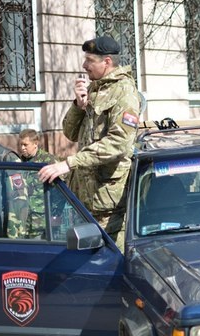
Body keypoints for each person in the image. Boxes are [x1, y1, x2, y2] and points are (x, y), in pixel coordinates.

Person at [38, 35, 141, 250]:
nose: (84, 66)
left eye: (90, 60)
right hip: (85, 201)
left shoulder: (125, 92)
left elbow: (119, 143)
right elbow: (70, 133)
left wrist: (69, 163)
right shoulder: (95, 88)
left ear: (107, 62)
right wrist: (78, 105)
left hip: (108, 205)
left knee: (109, 266)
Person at [16, 129, 57, 238]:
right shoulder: (20, 162)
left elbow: (58, 192)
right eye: (21, 145)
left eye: (25, 145)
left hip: (41, 219)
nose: (22, 148)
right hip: (24, 217)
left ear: (35, 144)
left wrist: (54, 216)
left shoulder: (48, 161)